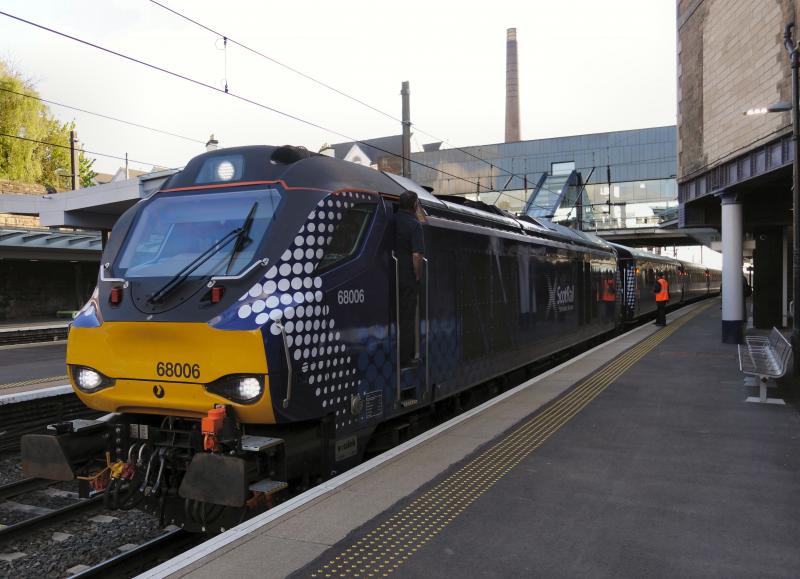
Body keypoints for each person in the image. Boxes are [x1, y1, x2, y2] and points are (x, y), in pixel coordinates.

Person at [395, 191, 425, 367]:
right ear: (414, 205)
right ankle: (406, 357)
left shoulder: (392, 220)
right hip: (406, 278)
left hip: (390, 275)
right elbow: (417, 255)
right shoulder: (414, 224)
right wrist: (417, 275)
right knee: (407, 317)